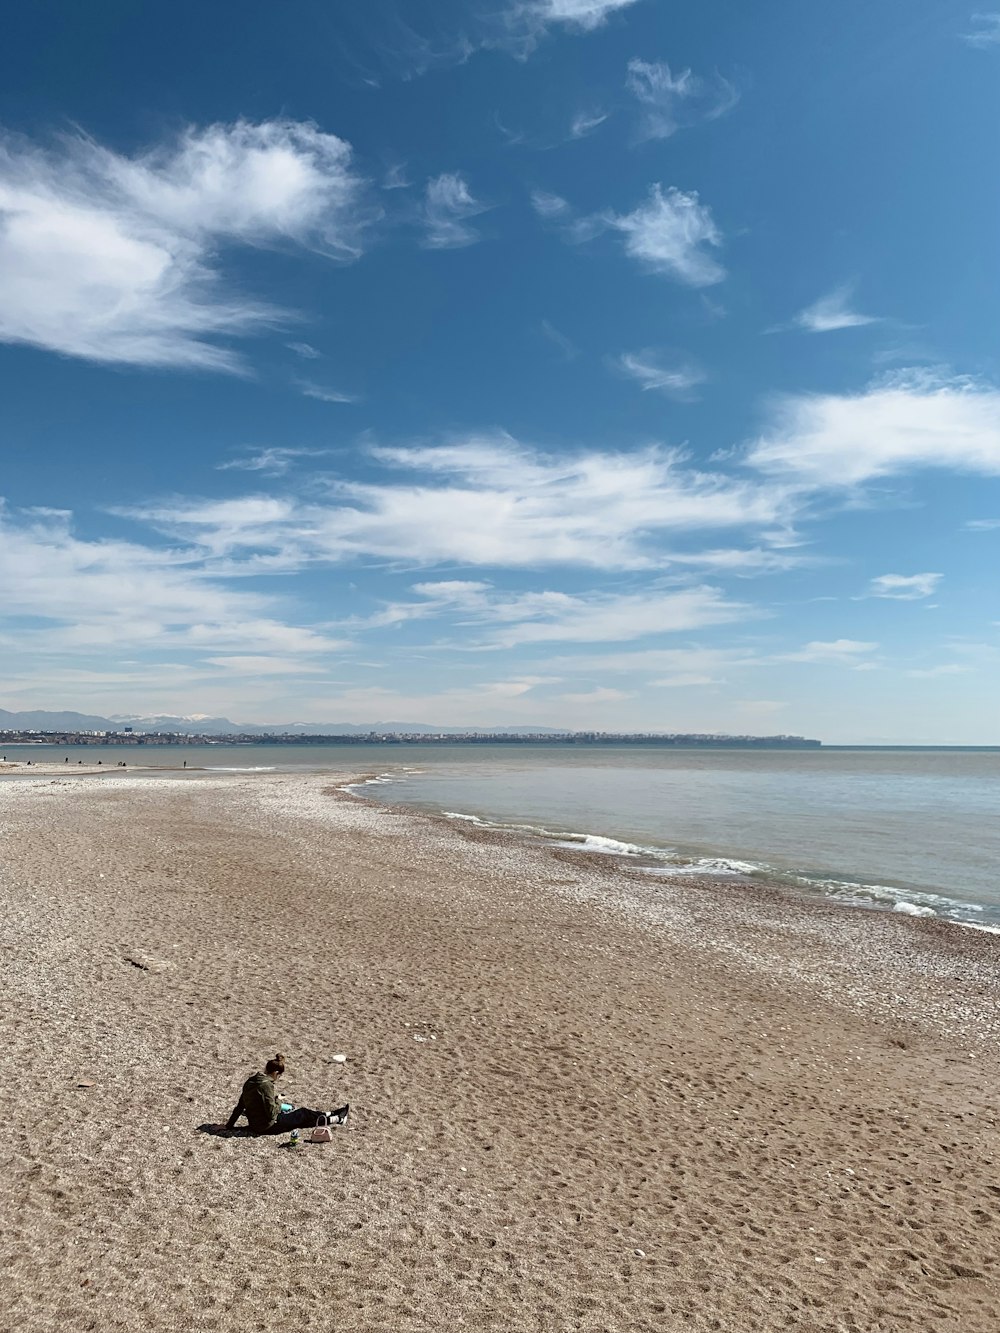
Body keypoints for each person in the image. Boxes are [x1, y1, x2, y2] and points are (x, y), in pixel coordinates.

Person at [224, 1053, 348, 1135]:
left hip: (255, 1123)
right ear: (276, 1073)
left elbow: (240, 1106)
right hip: (267, 1126)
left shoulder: (250, 1081)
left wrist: (228, 1125)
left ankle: (331, 1115)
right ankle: (337, 1118)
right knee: (302, 1114)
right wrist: (278, 1101)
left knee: (300, 1119)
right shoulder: (266, 1085)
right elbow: (272, 1112)